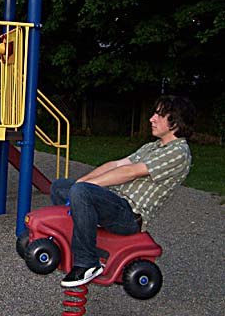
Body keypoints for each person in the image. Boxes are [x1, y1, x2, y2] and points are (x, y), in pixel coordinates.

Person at [50, 95, 196, 288]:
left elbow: (130, 172)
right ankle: (72, 241)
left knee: (82, 192)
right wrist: (81, 182)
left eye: (158, 115)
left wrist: (86, 188)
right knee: (61, 187)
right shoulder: (152, 147)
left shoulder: (178, 152)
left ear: (175, 122)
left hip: (129, 215)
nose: (151, 118)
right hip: (116, 203)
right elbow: (116, 164)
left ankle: (87, 263)